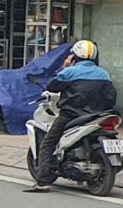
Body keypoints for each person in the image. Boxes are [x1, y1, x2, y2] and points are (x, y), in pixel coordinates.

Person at [28, 40, 117, 190]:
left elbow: (52, 86)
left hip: (71, 115)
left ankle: (42, 182)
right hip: (98, 115)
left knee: (48, 143)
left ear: (75, 56)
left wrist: (65, 67)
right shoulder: (104, 74)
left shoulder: (70, 72)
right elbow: (111, 97)